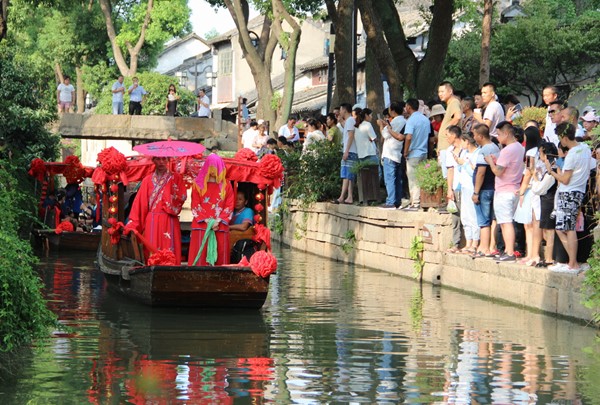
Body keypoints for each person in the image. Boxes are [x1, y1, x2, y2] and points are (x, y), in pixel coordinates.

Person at [545, 123, 592, 273]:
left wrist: (550, 171)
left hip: (568, 192)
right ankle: (573, 261)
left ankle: (573, 264)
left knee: (568, 228)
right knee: (562, 228)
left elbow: (565, 179)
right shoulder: (585, 147)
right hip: (578, 191)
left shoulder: (572, 154)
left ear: (564, 137)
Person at [126, 156, 187, 264]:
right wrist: (133, 224)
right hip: (152, 220)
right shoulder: (147, 180)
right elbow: (140, 204)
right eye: (158, 159)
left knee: (170, 251)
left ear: (168, 160)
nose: (161, 162)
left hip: (169, 219)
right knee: (151, 251)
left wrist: (170, 196)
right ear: (153, 160)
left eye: (164, 159)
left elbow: (182, 197)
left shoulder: (176, 178)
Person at [484, 121, 525, 262]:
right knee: (508, 222)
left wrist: (490, 161)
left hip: (504, 191)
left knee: (506, 223)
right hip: (513, 188)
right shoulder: (519, 147)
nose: (498, 137)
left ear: (507, 133)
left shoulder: (507, 150)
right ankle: (509, 251)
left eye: (500, 134)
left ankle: (509, 251)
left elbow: (498, 172)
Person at [188, 154, 234, 266]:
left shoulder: (227, 185)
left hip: (220, 226)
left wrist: (218, 221)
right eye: (211, 168)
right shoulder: (198, 184)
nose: (213, 172)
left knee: (220, 256)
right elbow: (195, 205)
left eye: (216, 168)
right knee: (200, 256)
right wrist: (208, 221)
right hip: (202, 226)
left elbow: (229, 204)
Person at [471, 124, 500, 259]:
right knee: (493, 219)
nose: (474, 137)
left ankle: (483, 247)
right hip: (494, 188)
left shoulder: (484, 150)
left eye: (475, 135)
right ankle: (491, 246)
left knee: (483, 220)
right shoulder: (495, 147)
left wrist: (476, 192)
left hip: (484, 190)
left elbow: (481, 173)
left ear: (481, 136)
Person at [531, 142, 558, 268]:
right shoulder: (551, 168)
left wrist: (535, 177)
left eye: (541, 153)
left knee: (549, 230)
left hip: (549, 201)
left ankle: (549, 258)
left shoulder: (552, 169)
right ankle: (548, 257)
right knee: (547, 230)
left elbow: (540, 189)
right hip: (547, 201)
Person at [403, 98, 431, 210]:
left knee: (413, 179)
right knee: (422, 178)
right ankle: (422, 201)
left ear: (409, 107)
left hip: (413, 153)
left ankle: (415, 203)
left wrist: (405, 151)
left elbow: (408, 137)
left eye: (406, 106)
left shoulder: (411, 120)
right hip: (424, 152)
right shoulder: (425, 120)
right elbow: (429, 137)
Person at [378, 102, 407, 209]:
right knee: (397, 179)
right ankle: (397, 201)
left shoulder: (395, 121)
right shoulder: (404, 121)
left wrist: (381, 126)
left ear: (393, 111)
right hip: (398, 152)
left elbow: (385, 134)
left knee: (389, 179)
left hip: (390, 153)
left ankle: (390, 201)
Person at [335, 103, 357, 204]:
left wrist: (347, 151)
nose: (340, 112)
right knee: (349, 175)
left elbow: (351, 136)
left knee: (347, 175)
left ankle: (342, 197)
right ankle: (349, 197)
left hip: (350, 151)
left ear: (344, 110)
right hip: (350, 151)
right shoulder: (349, 121)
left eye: (340, 110)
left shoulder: (350, 120)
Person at [437, 81, 463, 152]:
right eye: (439, 92)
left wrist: (447, 130)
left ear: (450, 91)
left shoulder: (454, 102)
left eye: (442, 91)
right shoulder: (450, 103)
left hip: (447, 146)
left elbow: (457, 116)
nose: (440, 94)